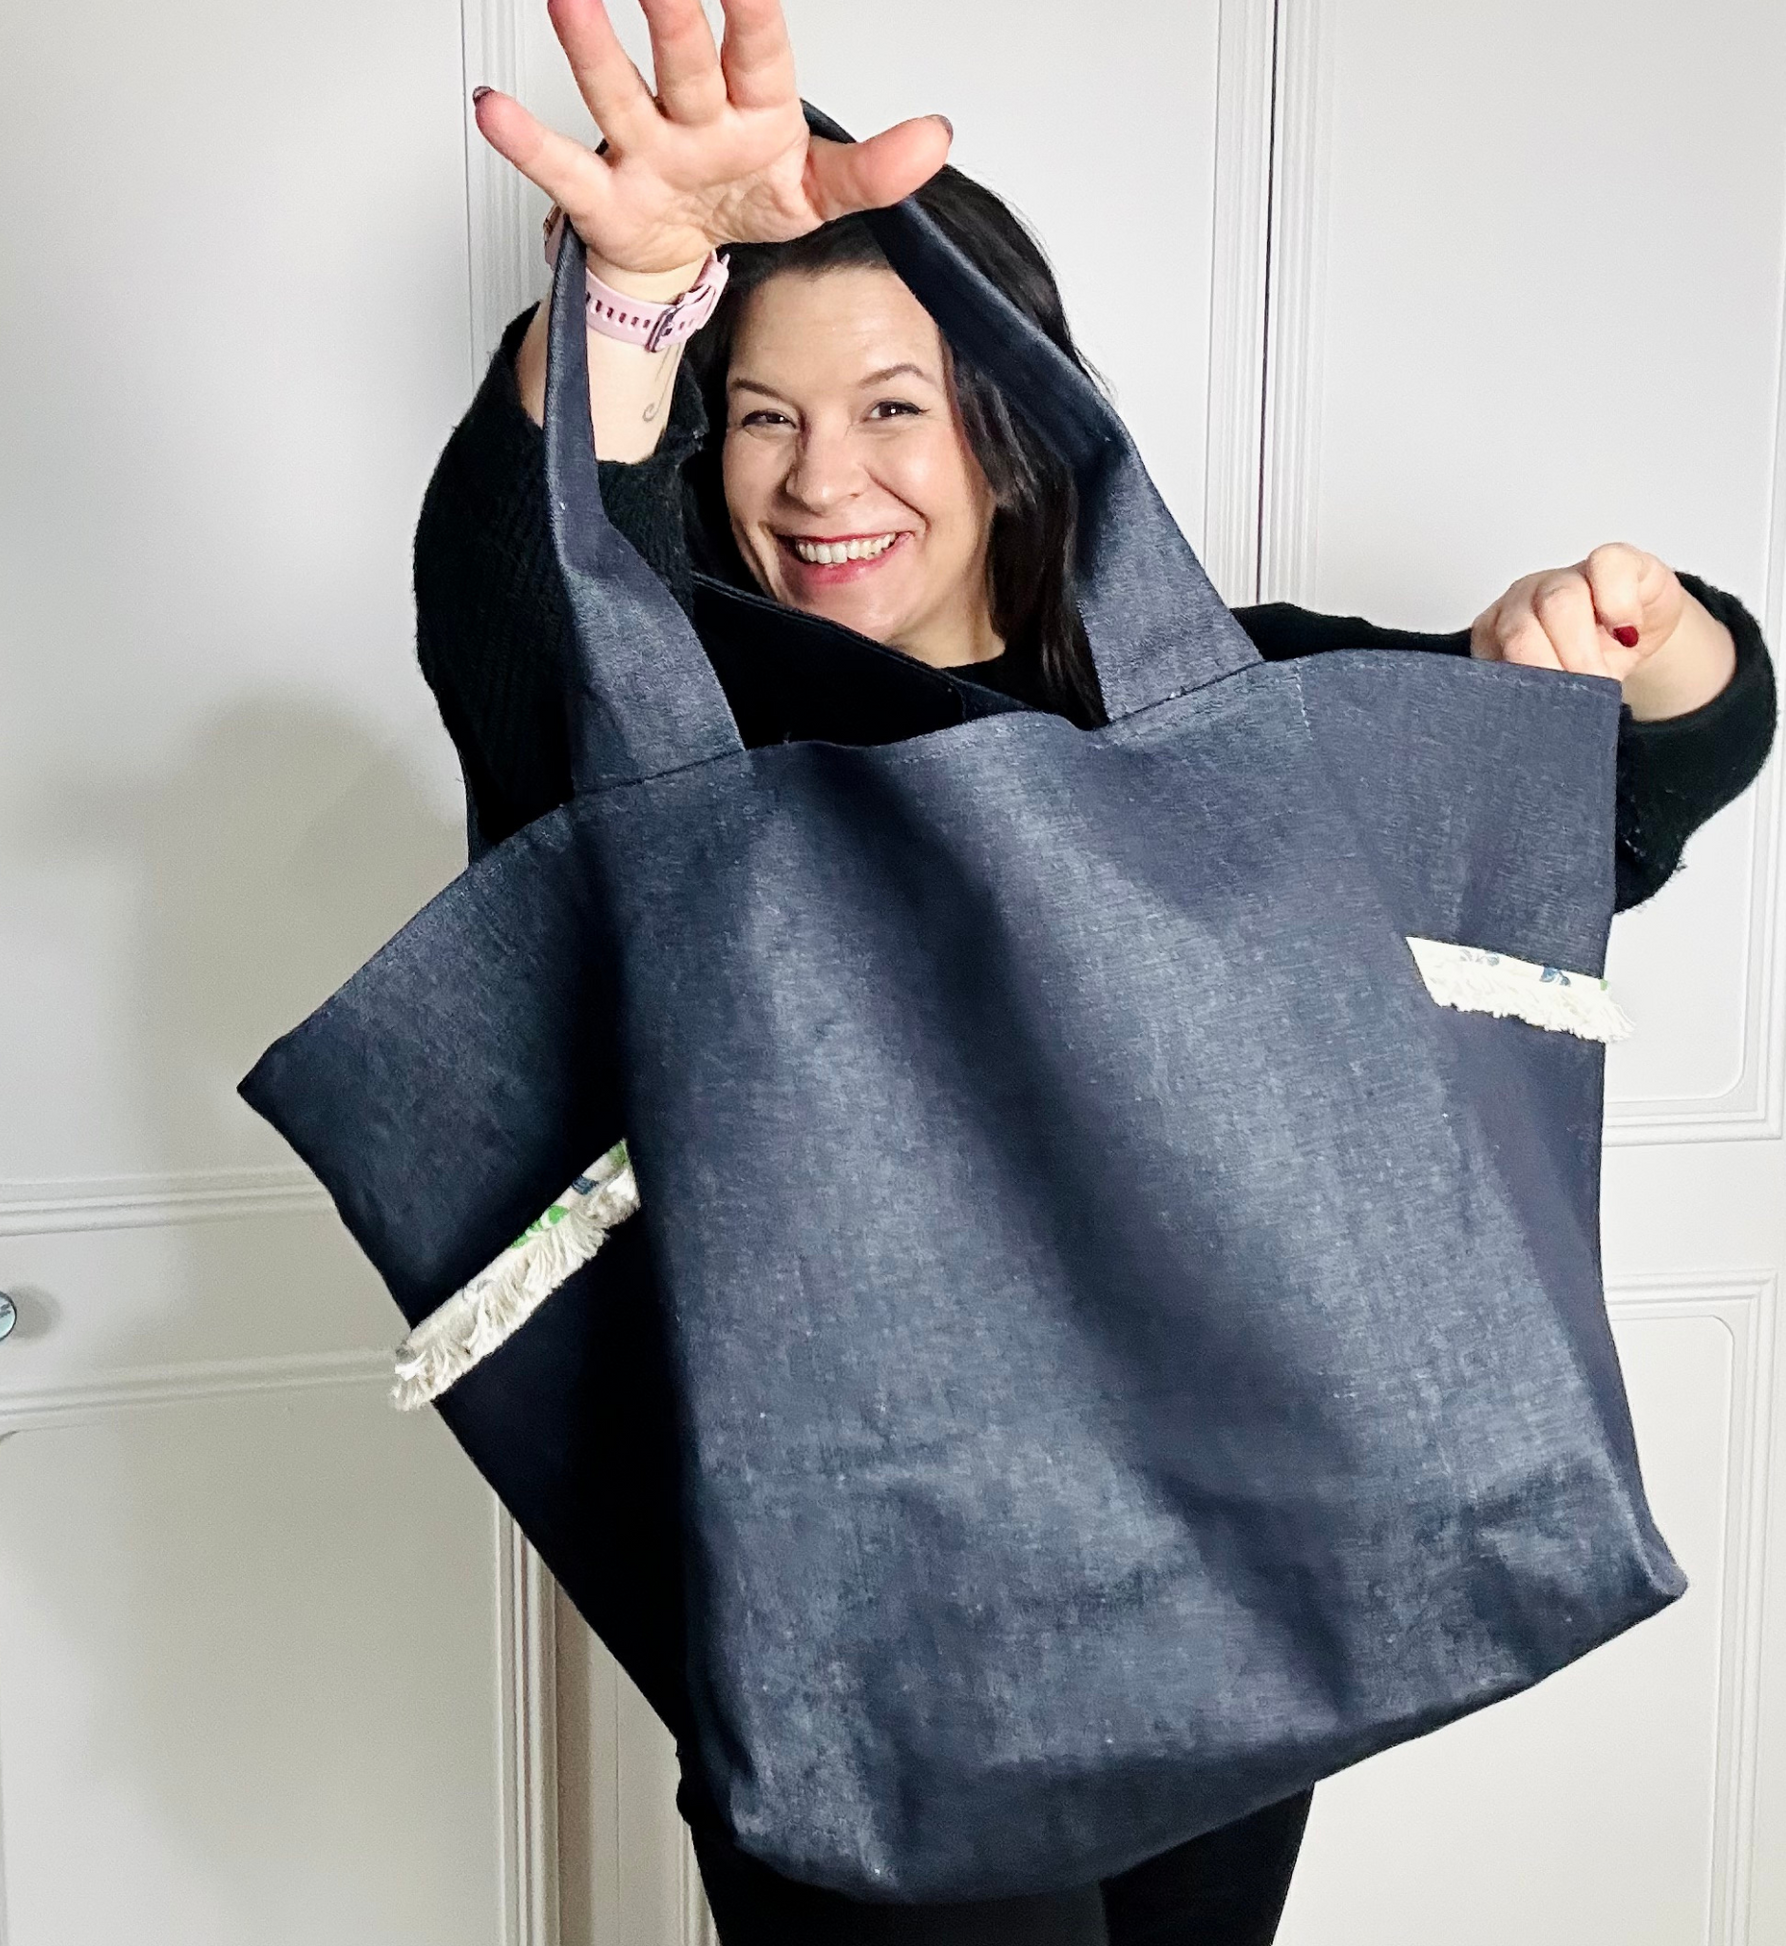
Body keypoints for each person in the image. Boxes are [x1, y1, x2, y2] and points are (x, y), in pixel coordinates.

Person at [411, 2, 1780, 1940]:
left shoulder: (1217, 715)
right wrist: (628, 310)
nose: (820, 479)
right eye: (762, 412)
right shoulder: (676, 754)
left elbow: (1641, 773)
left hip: (1236, 1586)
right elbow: (526, 616)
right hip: (878, 1658)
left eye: (892, 402)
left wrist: (1642, 637)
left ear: (1006, 414)